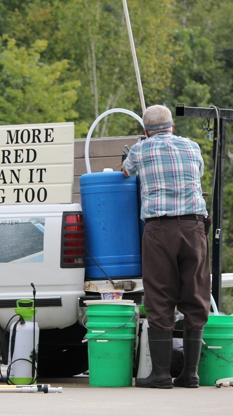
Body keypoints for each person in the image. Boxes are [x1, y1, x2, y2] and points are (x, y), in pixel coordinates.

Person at [122, 104, 210, 389]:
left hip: (160, 229)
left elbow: (126, 172)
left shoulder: (140, 149)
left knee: (160, 295)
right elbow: (198, 174)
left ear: (146, 131)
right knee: (195, 295)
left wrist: (134, 152)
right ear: (172, 126)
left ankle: (160, 374)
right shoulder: (192, 147)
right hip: (194, 227)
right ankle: (190, 374)